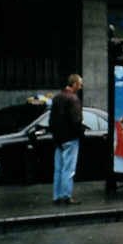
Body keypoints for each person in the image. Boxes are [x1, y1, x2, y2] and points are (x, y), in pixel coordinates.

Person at [49, 74, 83, 205]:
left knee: (58, 168)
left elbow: (52, 120)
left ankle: (56, 195)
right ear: (74, 84)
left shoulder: (57, 98)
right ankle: (66, 195)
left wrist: (56, 136)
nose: (80, 86)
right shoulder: (73, 99)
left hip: (59, 139)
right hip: (70, 138)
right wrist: (80, 133)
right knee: (68, 169)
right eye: (79, 84)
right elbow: (76, 120)